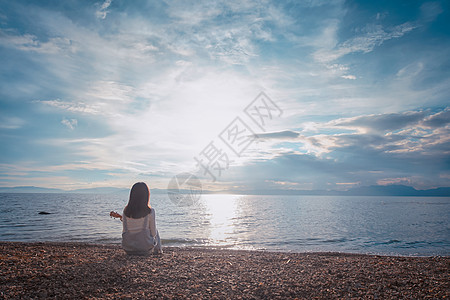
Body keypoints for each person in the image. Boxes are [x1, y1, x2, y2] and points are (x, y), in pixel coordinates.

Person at [110, 182, 162, 255]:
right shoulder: (150, 211)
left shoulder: (126, 211)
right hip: (145, 249)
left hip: (128, 248)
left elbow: (125, 231)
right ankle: (158, 251)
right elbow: (153, 234)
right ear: (146, 195)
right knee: (155, 230)